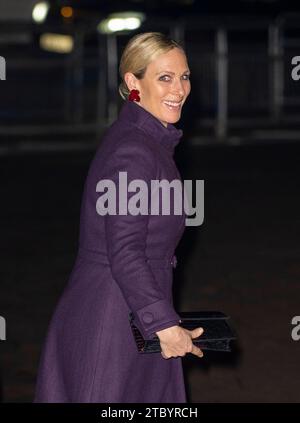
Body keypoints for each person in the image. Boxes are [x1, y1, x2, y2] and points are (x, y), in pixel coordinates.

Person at [34, 31, 204, 403]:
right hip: (114, 318)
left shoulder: (146, 141)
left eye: (185, 76)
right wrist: (163, 324)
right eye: (164, 77)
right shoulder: (135, 151)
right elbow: (125, 251)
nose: (180, 88)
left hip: (131, 310)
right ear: (133, 83)